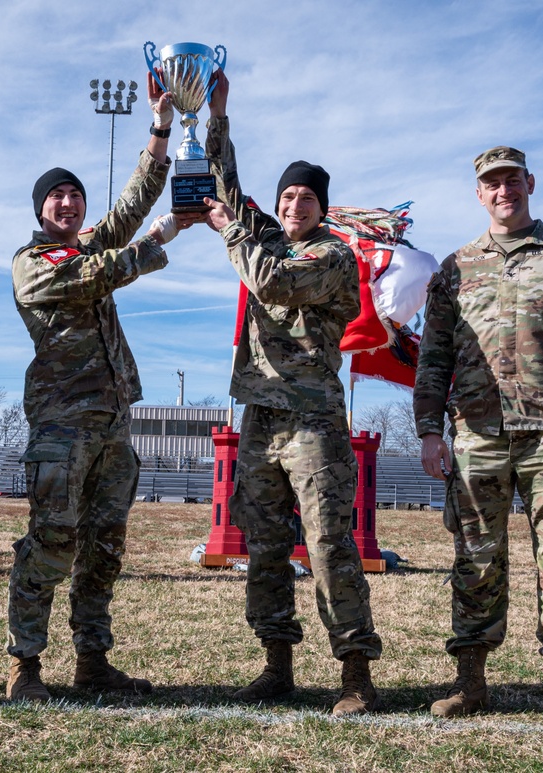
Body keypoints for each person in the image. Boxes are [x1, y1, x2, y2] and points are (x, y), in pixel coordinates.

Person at [413, 146, 543, 727]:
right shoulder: (454, 269)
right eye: (491, 183)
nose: (503, 191)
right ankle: (471, 683)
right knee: (476, 559)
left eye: (512, 180)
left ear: (529, 183)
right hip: (476, 434)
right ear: (478, 193)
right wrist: (429, 430)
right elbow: (433, 357)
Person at [5, 74, 197, 701]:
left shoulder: (87, 245)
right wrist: (159, 241)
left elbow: (133, 203)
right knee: (50, 542)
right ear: (40, 209)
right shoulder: (32, 264)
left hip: (113, 425)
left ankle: (92, 662)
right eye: (56, 197)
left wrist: (160, 126)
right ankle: (25, 667)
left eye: (75, 198)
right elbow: (102, 269)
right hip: (62, 427)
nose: (68, 205)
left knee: (104, 548)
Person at [201, 71, 382, 717]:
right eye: (288, 196)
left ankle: (355, 674)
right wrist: (216, 113)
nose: (295, 205)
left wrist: (231, 232)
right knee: (265, 545)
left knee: (330, 544)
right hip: (262, 417)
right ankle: (276, 663)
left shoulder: (331, 256)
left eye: (306, 197)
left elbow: (271, 282)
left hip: (312, 420)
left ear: (321, 208)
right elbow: (224, 186)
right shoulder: (266, 237)